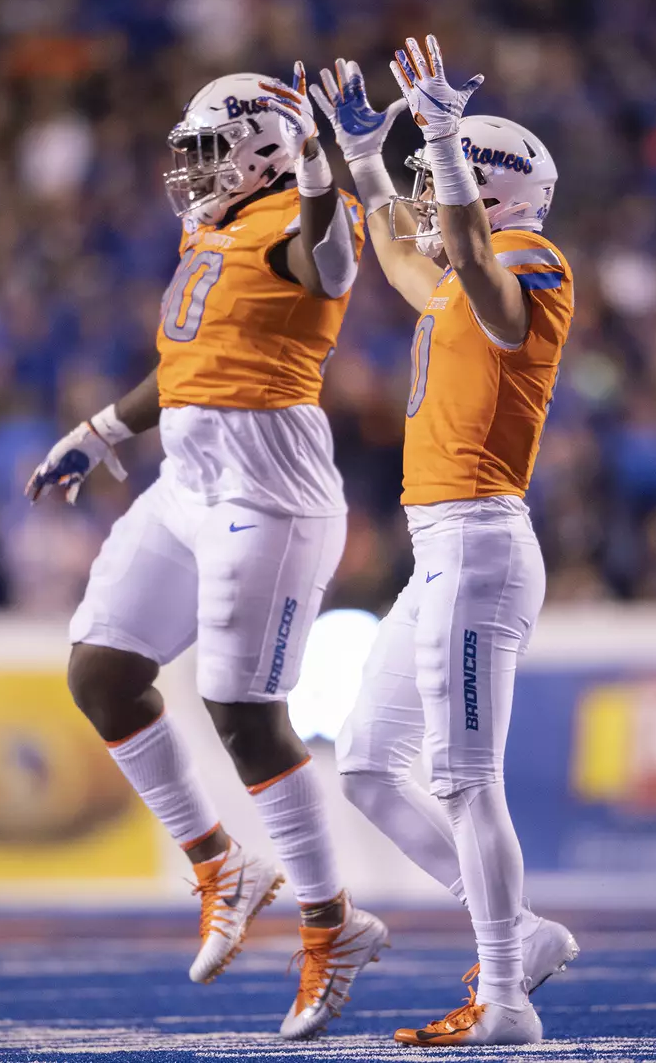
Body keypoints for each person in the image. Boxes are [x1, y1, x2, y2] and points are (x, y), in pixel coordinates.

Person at [26, 68, 387, 1041]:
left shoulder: (303, 213)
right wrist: (103, 429)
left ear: (269, 150)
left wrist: (318, 173)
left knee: (243, 712)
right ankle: (221, 861)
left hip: (268, 487)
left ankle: (332, 919)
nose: (187, 168)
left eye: (207, 148)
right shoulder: (211, 226)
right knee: (102, 669)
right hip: (190, 475)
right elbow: (188, 360)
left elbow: (333, 264)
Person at [296, 38, 577, 1047]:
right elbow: (408, 259)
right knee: (370, 762)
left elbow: (494, 307)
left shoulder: (532, 263)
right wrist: (370, 159)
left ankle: (506, 999)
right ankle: (518, 932)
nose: (427, 195)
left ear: (491, 192)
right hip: (443, 548)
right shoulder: (461, 278)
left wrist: (444, 143)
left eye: (445, 181)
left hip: (482, 541)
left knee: (462, 774)